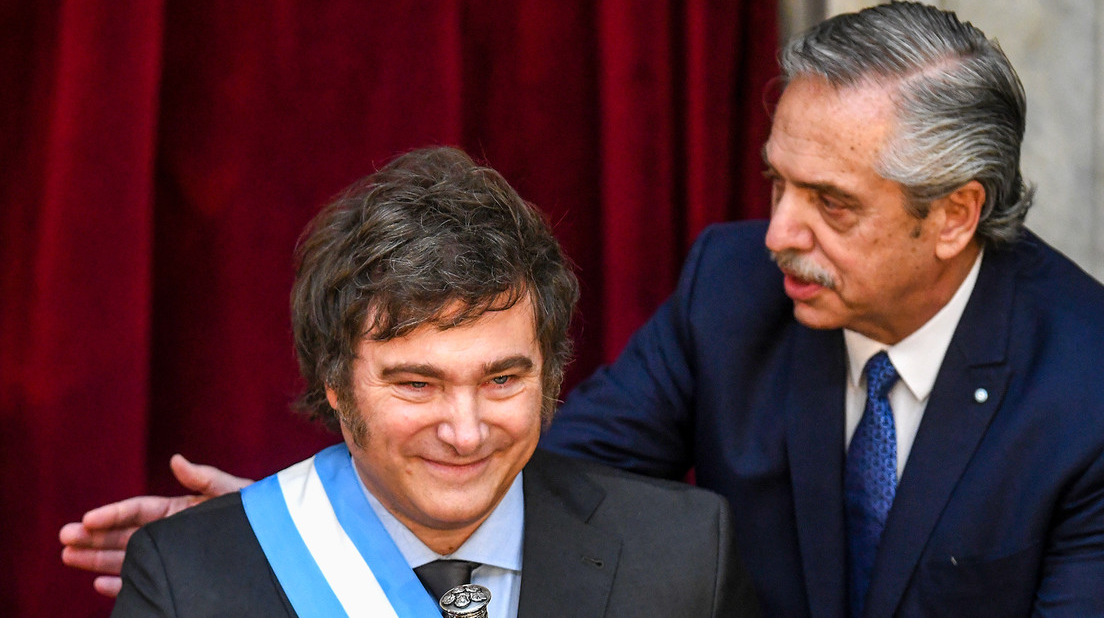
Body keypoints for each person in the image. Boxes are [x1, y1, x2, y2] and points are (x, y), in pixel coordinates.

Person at [62, 1, 1104, 616]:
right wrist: (307, 525)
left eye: (831, 204)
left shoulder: (1087, 389)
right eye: (777, 182)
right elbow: (532, 462)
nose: (779, 231)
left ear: (955, 215)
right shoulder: (733, 284)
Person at [102, 146, 759, 617]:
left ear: (551, 373)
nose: (466, 433)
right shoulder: (188, 582)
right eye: (417, 384)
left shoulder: (684, 553)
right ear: (335, 382)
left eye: (502, 379)